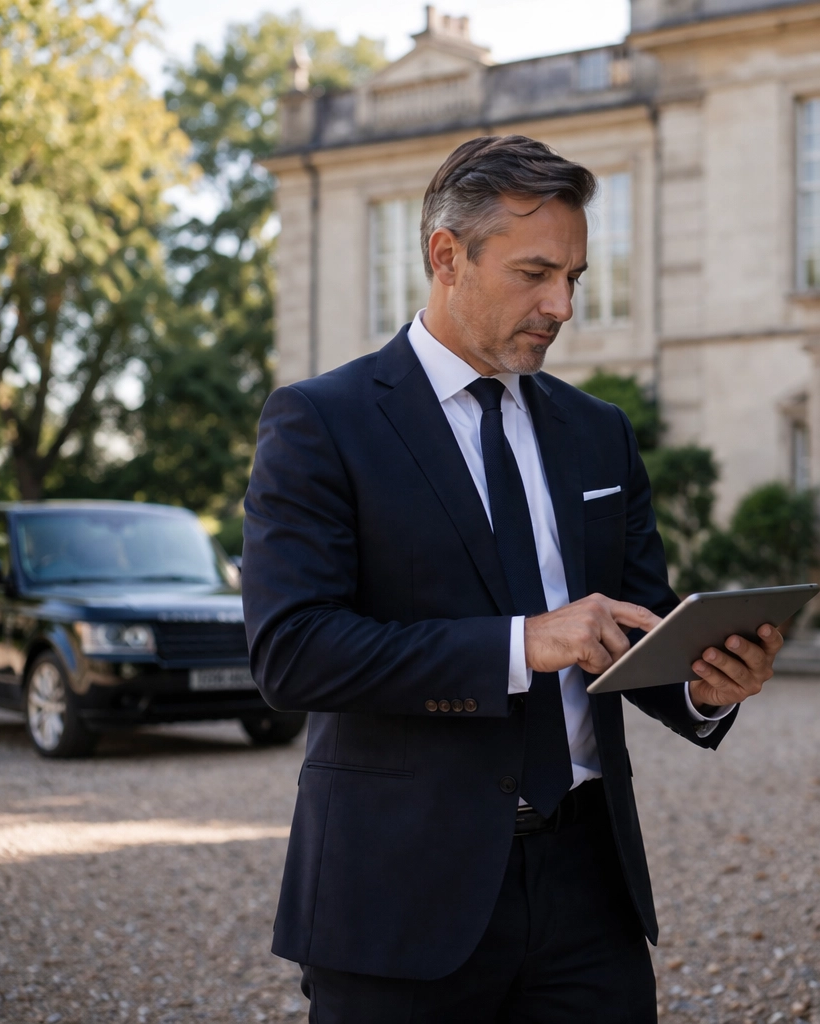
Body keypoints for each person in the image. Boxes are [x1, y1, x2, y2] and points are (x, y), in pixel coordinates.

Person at [241, 134, 783, 1023]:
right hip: (397, 893)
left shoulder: (598, 431)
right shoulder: (320, 422)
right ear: (445, 256)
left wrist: (707, 685)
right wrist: (524, 643)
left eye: (572, 275)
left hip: (588, 891)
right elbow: (292, 653)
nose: (561, 304)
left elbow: (634, 630)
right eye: (535, 272)